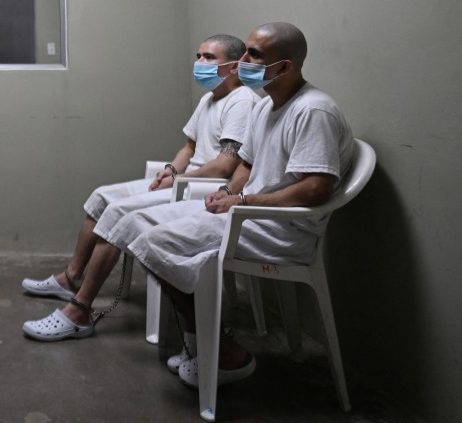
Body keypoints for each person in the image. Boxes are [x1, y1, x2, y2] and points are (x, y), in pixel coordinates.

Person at [105, 23, 354, 388]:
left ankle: (227, 355)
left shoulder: (314, 110)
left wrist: (244, 199)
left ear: (285, 67)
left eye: (255, 55)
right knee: (138, 226)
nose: (244, 62)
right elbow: (248, 166)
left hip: (278, 229)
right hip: (245, 212)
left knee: (158, 243)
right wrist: (228, 194)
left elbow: (315, 189)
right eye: (246, 50)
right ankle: (199, 338)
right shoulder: (267, 106)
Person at [21, 34, 254, 344]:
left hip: (203, 188)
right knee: (102, 197)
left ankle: (79, 311)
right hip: (185, 180)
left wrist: (180, 179)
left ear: (234, 66)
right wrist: (171, 170)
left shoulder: (243, 101)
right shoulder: (210, 98)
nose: (200, 64)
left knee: (118, 213)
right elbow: (190, 145)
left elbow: (226, 166)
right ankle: (70, 279)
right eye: (198, 56)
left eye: (209, 58)